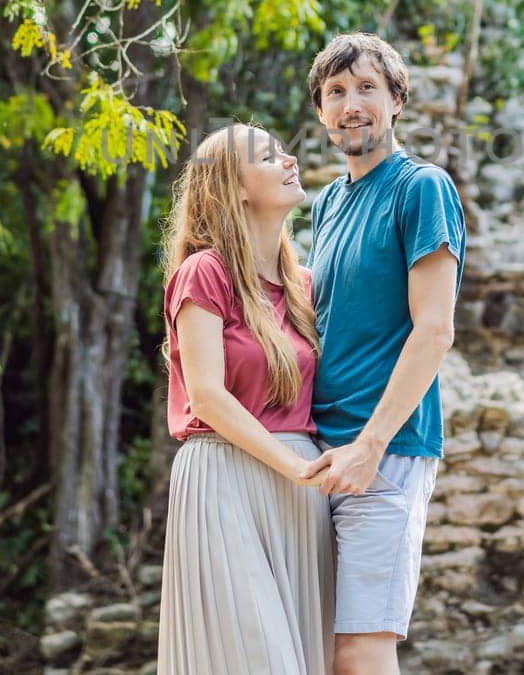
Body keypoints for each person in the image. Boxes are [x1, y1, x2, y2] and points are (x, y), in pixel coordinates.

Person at [300, 33, 467, 675]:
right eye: (336, 92)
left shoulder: (422, 188)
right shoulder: (328, 203)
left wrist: (371, 445)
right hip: (321, 453)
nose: (352, 105)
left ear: (397, 100)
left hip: (385, 451)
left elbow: (434, 331)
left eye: (367, 88)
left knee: (362, 648)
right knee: (319, 646)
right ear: (321, 111)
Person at [157, 123, 334, 675]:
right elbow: (207, 395)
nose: (289, 159)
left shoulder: (303, 285)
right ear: (233, 187)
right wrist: (293, 466)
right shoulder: (204, 273)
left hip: (300, 491)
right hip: (224, 478)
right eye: (267, 156)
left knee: (307, 658)